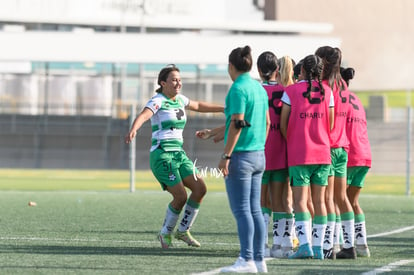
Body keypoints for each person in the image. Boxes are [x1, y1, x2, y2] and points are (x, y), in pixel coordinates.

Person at [125, 64, 224, 249]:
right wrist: (134, 129)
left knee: (200, 189)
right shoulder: (158, 100)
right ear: (163, 83)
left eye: (179, 79)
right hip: (162, 155)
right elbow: (144, 116)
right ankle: (165, 233)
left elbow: (199, 105)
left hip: (179, 154)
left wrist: (223, 108)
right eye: (174, 80)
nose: (178, 83)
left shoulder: (180, 100)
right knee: (180, 197)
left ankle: (183, 230)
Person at [218, 45, 270, 273]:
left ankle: (247, 259)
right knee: (255, 210)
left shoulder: (238, 89)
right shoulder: (259, 88)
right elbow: (267, 122)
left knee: (242, 211)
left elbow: (237, 123)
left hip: (242, 157)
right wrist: (259, 144)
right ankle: (259, 260)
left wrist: (226, 155)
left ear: (231, 66)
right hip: (259, 155)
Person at [280, 54, 334, 260]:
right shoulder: (327, 92)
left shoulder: (291, 91)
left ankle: (304, 247)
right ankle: (319, 248)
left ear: (301, 70)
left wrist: (294, 140)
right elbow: (329, 125)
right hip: (323, 153)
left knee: (300, 202)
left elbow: (284, 124)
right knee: (319, 202)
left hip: (300, 154)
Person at [315, 46, 356, 259]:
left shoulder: (323, 87)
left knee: (328, 199)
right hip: (342, 147)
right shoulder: (343, 85)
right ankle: (349, 246)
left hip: (328, 148)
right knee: (341, 198)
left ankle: (328, 246)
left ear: (324, 62)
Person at [256, 51, 294, 259]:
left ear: (258, 70)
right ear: (277, 70)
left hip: (261, 151)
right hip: (282, 151)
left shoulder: (255, 90)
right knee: (281, 201)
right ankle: (283, 244)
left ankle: (262, 245)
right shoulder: (286, 91)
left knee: (263, 201)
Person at [342, 67, 372, 257]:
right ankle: (362, 245)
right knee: (353, 201)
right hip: (364, 155)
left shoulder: (338, 98)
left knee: (338, 200)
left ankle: (342, 244)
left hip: (350, 155)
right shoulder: (356, 99)